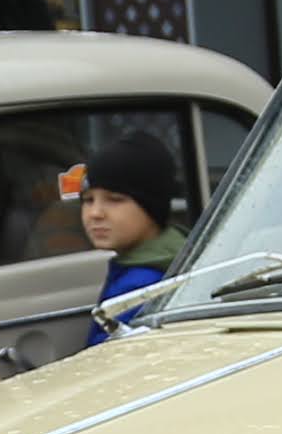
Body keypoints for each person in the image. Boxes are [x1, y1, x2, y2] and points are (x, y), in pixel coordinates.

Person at [65, 128, 193, 343]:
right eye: (88, 200)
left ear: (151, 208)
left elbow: (107, 358)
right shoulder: (146, 264)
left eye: (114, 200)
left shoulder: (143, 286)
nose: (95, 213)